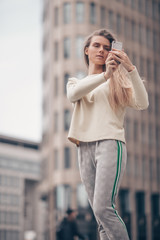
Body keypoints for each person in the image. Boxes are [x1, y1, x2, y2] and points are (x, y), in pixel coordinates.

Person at [67, 29, 149, 240]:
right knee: (99, 215)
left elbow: (143, 103)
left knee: (104, 208)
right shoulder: (76, 83)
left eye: (106, 47)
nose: (101, 50)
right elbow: (74, 94)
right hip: (84, 147)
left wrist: (130, 68)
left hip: (110, 145)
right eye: (96, 46)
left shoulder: (117, 83)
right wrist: (105, 75)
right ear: (86, 50)